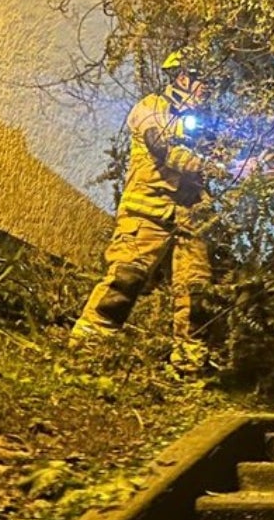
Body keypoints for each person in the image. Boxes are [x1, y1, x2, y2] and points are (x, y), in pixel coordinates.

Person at [71, 50, 227, 373]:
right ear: (183, 77)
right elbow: (162, 149)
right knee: (127, 276)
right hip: (146, 210)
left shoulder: (205, 126)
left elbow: (220, 160)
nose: (206, 88)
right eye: (202, 80)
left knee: (196, 290)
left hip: (190, 216)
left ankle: (189, 363)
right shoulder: (151, 108)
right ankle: (88, 347)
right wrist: (209, 165)